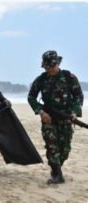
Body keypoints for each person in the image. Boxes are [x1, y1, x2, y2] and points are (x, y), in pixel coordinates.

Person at [28, 50, 84, 184]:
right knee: (52, 146)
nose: (50, 69)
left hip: (66, 118)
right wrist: (41, 112)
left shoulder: (69, 77)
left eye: (52, 66)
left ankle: (56, 168)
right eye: (47, 67)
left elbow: (79, 97)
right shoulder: (41, 79)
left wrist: (75, 112)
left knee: (65, 149)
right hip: (49, 118)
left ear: (58, 63)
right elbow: (31, 97)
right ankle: (58, 175)